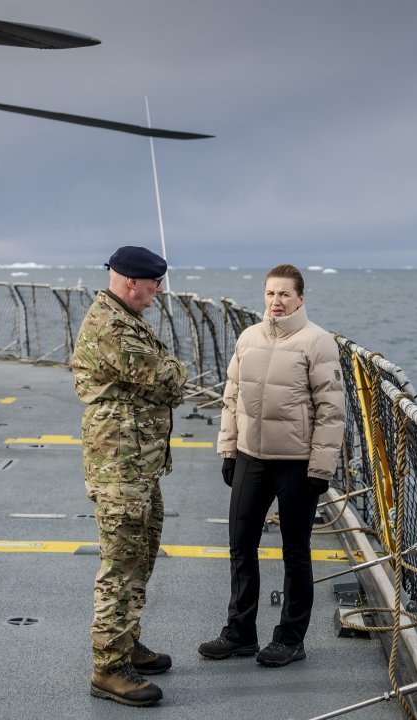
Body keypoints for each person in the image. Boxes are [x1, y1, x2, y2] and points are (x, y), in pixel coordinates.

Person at [199, 263, 344, 667]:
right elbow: (232, 397)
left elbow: (331, 412)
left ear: (300, 298)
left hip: (296, 464)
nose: (276, 301)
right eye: (270, 293)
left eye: (284, 294)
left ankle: (290, 639)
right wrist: (228, 449)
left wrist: (320, 468)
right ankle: (240, 633)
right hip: (251, 457)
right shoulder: (248, 337)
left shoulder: (318, 342)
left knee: (295, 552)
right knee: (241, 545)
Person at [72, 245, 188, 707]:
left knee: (140, 555)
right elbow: (168, 378)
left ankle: (126, 642)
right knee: (121, 564)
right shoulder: (112, 326)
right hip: (120, 466)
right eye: (154, 283)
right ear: (131, 281)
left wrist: (168, 374)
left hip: (138, 464)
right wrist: (173, 372)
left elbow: (162, 377)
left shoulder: (127, 318)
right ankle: (108, 668)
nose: (158, 291)